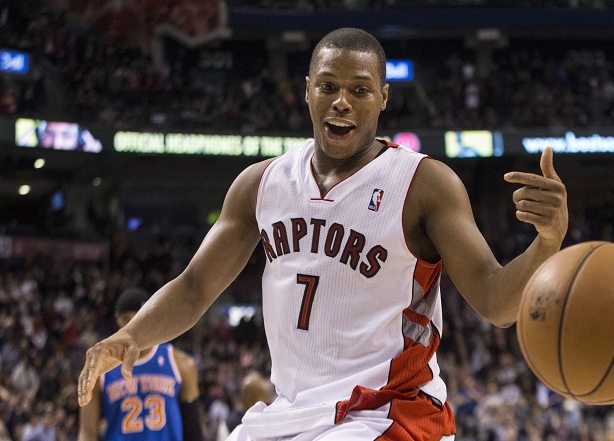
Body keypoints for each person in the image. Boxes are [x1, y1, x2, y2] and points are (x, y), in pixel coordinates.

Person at [78, 27, 568, 440]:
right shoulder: (262, 184)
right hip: (292, 413)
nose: (342, 102)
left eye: (359, 90)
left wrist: (545, 244)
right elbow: (194, 287)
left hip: (389, 412)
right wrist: (131, 335)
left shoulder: (423, 184)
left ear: (383, 97)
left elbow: (496, 302)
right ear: (308, 88)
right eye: (328, 86)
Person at [78, 288, 202, 441]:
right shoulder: (101, 366)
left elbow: (193, 432)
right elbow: (87, 434)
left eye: (139, 318)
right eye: (126, 319)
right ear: (118, 320)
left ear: (151, 318)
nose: (133, 324)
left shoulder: (180, 362)